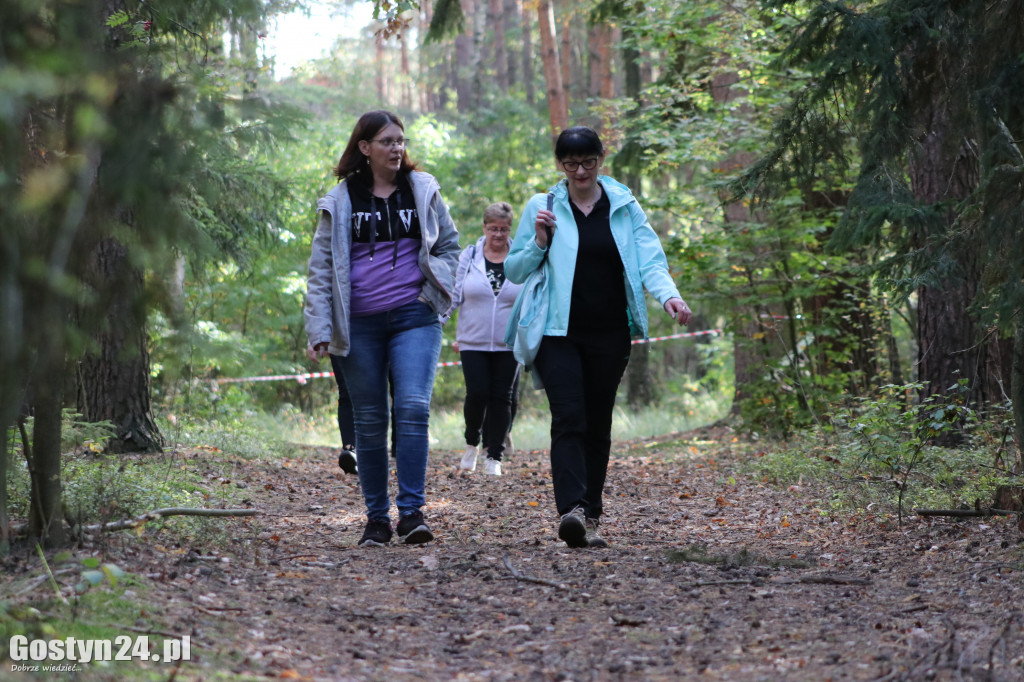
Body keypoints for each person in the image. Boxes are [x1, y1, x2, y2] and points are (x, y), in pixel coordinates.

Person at [505, 126, 691, 549]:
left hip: (610, 332)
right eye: (571, 164)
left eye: (588, 162)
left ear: (601, 159)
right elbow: (514, 271)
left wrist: (670, 298)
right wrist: (538, 241)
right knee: (569, 418)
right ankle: (570, 510)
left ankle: (590, 512)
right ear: (560, 165)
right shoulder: (544, 206)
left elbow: (649, 260)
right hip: (557, 333)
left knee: (597, 423)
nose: (581, 171)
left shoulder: (623, 205)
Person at [305, 110, 460, 546]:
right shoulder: (339, 200)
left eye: (400, 140)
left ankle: (412, 513)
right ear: (365, 148)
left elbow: (449, 245)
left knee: (412, 408)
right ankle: (376, 518)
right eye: (387, 141)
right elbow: (320, 269)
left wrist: (437, 291)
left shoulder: (422, 189)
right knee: (370, 421)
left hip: (415, 316)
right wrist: (319, 325)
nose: (396, 148)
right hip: (358, 325)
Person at [448, 202, 522, 477]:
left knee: (502, 397)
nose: (498, 235)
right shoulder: (469, 257)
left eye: (503, 229)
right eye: (493, 229)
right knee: (477, 393)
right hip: (472, 339)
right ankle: (471, 443)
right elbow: (455, 294)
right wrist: (439, 320)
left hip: (508, 341)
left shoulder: (518, 257)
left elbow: (528, 297)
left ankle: (495, 456)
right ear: (484, 227)